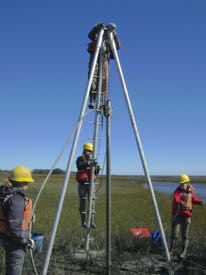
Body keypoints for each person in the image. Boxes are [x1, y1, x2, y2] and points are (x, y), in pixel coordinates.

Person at [0, 165, 35, 275]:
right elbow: (14, 227)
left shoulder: (4, 191)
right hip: (14, 240)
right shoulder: (16, 199)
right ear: (22, 182)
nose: (28, 185)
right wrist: (26, 240)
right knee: (14, 270)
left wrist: (29, 216)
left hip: (4, 234)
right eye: (27, 182)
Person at [170, 174, 205, 259]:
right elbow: (176, 199)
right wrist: (180, 201)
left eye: (183, 183)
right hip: (177, 216)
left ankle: (183, 253)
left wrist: (200, 202)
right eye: (180, 183)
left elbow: (194, 199)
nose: (181, 185)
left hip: (187, 217)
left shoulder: (190, 192)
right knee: (174, 235)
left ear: (187, 183)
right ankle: (171, 251)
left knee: (185, 236)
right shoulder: (177, 191)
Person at [87, 22, 120, 109]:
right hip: (95, 56)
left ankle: (101, 101)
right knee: (93, 76)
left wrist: (115, 36)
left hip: (105, 59)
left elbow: (118, 46)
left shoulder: (110, 38)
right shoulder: (97, 36)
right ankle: (92, 99)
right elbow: (90, 35)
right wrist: (97, 27)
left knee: (104, 79)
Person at [76, 143, 100, 228]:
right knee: (82, 204)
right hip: (82, 185)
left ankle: (91, 222)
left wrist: (97, 167)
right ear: (84, 150)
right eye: (88, 151)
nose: (89, 152)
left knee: (92, 204)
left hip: (91, 184)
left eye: (90, 151)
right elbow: (80, 166)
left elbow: (96, 172)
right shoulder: (80, 159)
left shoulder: (92, 160)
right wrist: (89, 164)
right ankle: (83, 222)